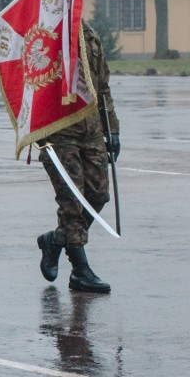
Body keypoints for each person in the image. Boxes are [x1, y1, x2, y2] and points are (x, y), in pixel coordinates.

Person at [36, 20, 119, 294]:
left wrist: (112, 130)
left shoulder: (90, 35)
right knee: (72, 201)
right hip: (58, 130)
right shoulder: (44, 35)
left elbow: (103, 85)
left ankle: (56, 240)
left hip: (92, 127)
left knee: (97, 195)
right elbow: (31, 85)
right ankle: (80, 271)